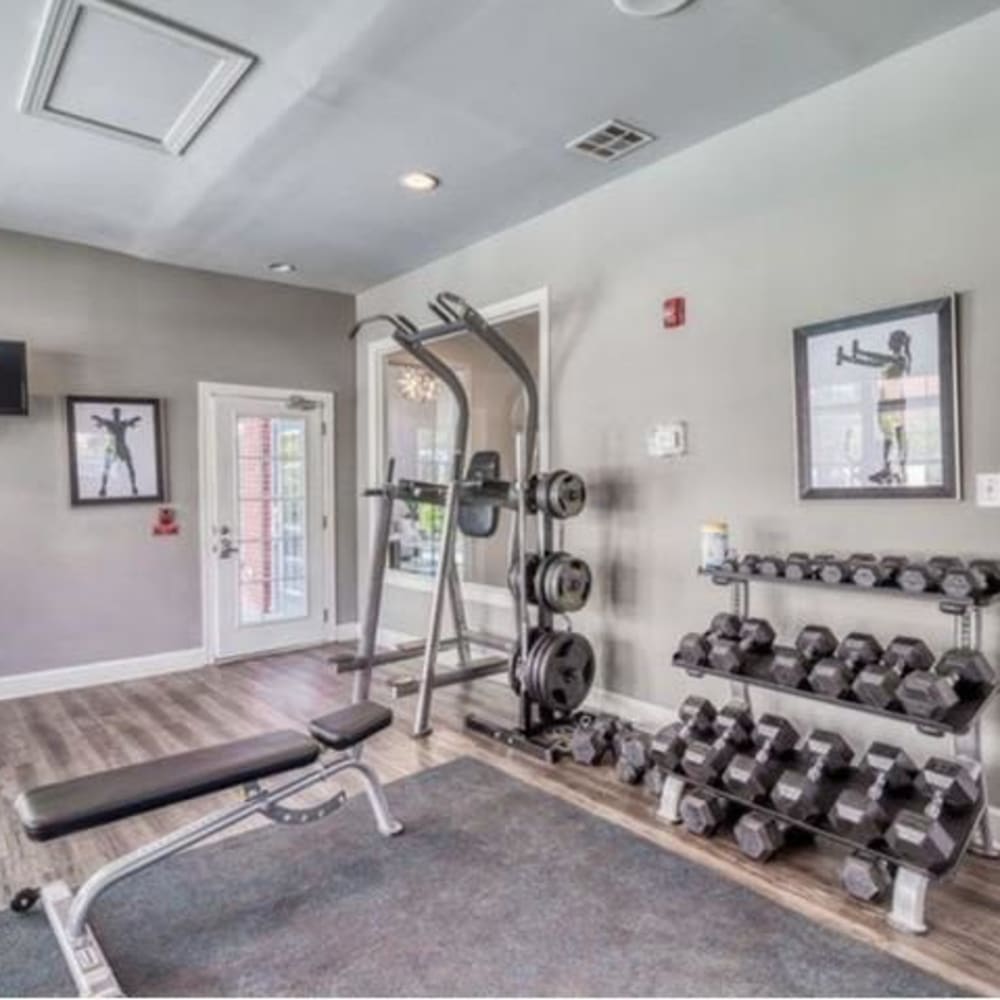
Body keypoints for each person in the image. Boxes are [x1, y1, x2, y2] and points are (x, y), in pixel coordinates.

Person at [836, 328, 912, 485]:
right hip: (887, 403)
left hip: (893, 402)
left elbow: (877, 359)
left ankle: (900, 469)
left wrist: (859, 352)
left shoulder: (900, 359)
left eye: (891, 340)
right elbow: (871, 363)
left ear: (897, 342)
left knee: (897, 436)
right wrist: (850, 357)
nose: (888, 343)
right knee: (890, 437)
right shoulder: (894, 360)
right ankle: (888, 468)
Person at [92, 407, 141, 497]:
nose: (116, 414)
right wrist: (98, 419)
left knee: (130, 467)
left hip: (121, 446)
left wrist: (135, 420)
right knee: (107, 468)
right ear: (113, 414)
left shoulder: (123, 423)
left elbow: (131, 422)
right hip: (112, 447)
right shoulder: (110, 422)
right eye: (115, 413)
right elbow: (101, 422)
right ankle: (103, 488)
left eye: (117, 413)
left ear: (119, 414)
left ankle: (134, 486)